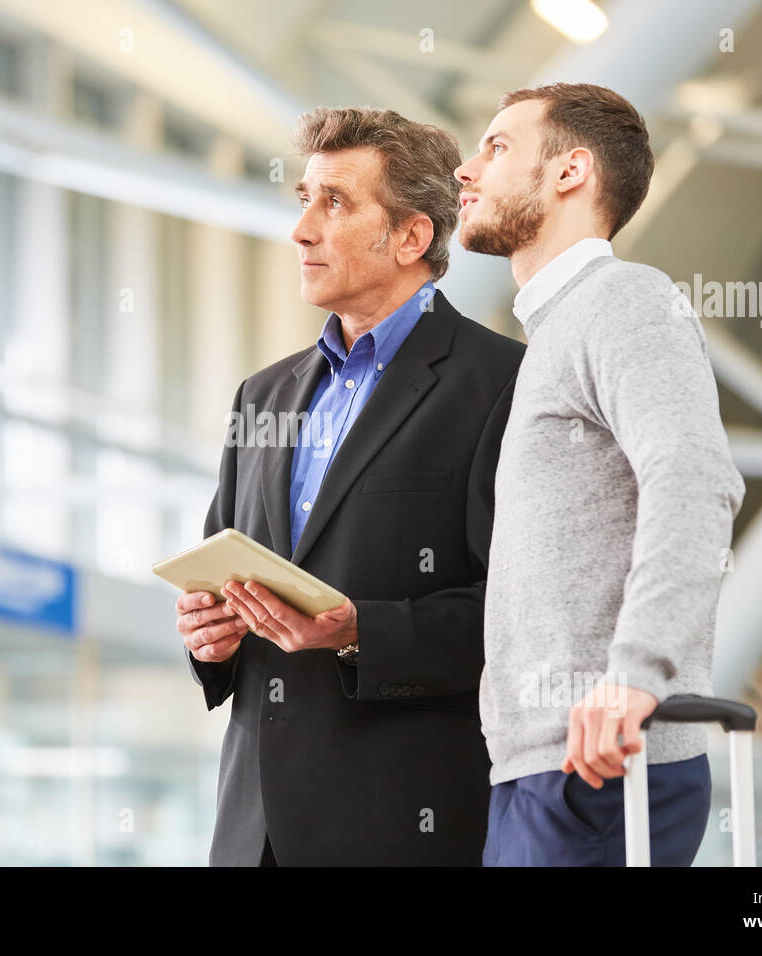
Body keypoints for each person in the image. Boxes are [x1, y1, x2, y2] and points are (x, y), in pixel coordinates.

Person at [176, 107, 524, 865]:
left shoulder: (504, 384)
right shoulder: (260, 397)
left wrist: (360, 628)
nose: (302, 228)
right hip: (253, 830)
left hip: (403, 825)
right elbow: (222, 571)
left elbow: (519, 617)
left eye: (334, 202)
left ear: (411, 237)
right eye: (303, 198)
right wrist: (210, 638)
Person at [454, 82, 746, 866]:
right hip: (542, 770)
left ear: (570, 172)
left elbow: (694, 477)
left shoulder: (625, 300)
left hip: (603, 764)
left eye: (498, 146)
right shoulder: (553, 334)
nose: (466, 169)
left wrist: (634, 677)